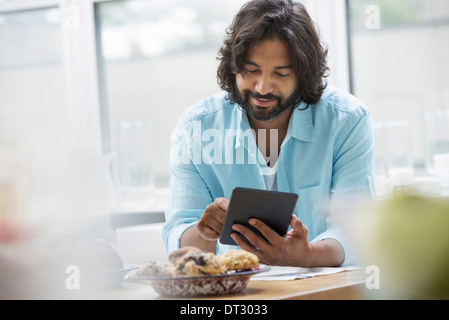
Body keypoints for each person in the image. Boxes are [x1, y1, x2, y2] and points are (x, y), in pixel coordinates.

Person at [163, 0, 375, 267]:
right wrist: (204, 232)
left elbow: (358, 232)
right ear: (233, 66)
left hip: (320, 290)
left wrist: (308, 254)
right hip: (237, 295)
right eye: (251, 71)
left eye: (281, 73)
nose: (262, 88)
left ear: (304, 75)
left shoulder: (347, 120)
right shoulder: (196, 127)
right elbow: (176, 238)